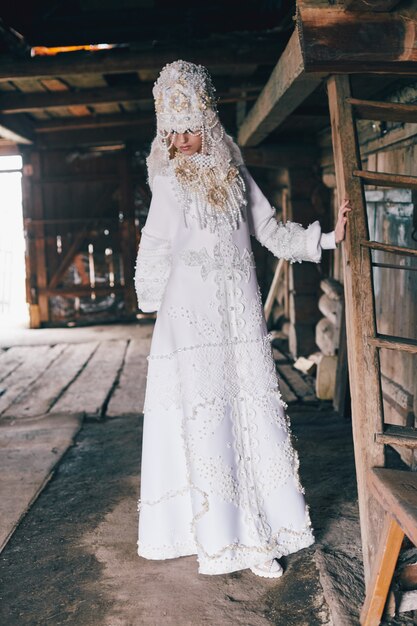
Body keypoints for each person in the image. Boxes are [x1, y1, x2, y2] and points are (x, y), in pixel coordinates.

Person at [134, 60, 350, 578]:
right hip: (191, 323)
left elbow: (272, 232)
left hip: (240, 320)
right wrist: (154, 308)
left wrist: (324, 238)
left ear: (208, 122)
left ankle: (260, 534)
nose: (183, 140)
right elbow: (155, 247)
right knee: (208, 421)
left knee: (248, 418)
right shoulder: (167, 184)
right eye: (173, 131)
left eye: (190, 128)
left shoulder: (236, 176)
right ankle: (220, 538)